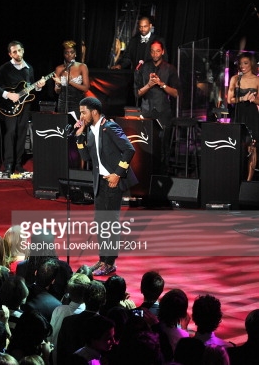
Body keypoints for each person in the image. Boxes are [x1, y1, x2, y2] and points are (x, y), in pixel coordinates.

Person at [74, 97, 137, 276]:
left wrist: (118, 174)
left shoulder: (109, 127)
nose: (81, 115)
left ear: (94, 112)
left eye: (83, 112)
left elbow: (129, 149)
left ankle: (109, 263)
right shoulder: (90, 130)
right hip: (99, 182)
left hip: (112, 180)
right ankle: (102, 259)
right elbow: (86, 157)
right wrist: (79, 137)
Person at [0, 40, 47, 175]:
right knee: (10, 132)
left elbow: (30, 89)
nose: (18, 53)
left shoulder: (29, 68)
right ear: (10, 54)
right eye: (14, 51)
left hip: (25, 105)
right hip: (9, 105)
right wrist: (8, 95)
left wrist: (38, 87)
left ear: (23, 50)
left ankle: (18, 163)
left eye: (19, 50)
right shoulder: (5, 68)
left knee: (22, 132)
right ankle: (8, 164)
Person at [135, 39, 180, 168]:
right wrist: (148, 85)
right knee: (145, 145)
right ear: (150, 53)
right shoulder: (144, 68)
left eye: (158, 51)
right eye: (153, 51)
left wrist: (161, 84)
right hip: (147, 111)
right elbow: (137, 93)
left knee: (163, 147)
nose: (155, 54)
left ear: (163, 52)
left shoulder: (170, 69)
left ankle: (163, 173)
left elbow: (176, 93)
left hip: (163, 112)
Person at [227, 51, 259, 181]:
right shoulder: (235, 79)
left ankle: (248, 181)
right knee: (238, 146)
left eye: (245, 63)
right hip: (239, 115)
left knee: (252, 147)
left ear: (251, 64)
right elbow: (230, 100)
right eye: (240, 64)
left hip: (252, 116)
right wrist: (241, 98)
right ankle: (236, 178)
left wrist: (253, 99)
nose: (242, 66)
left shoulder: (257, 80)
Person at [53, 40, 90, 118]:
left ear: (75, 54)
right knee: (62, 126)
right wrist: (59, 85)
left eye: (71, 52)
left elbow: (86, 88)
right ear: (63, 54)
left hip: (77, 103)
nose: (69, 55)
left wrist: (70, 82)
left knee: (76, 126)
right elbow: (57, 91)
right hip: (63, 103)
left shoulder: (82, 67)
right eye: (66, 53)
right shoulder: (59, 68)